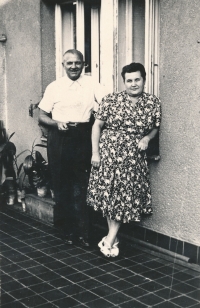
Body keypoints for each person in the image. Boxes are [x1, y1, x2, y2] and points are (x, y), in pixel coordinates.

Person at [87, 62, 161, 257]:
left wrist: (146, 138)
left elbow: (155, 127)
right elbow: (97, 126)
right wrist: (96, 153)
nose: (133, 84)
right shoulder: (111, 100)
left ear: (144, 79)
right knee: (110, 198)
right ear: (124, 82)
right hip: (109, 154)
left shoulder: (153, 102)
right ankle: (113, 238)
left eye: (137, 79)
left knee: (121, 197)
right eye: (129, 80)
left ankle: (109, 239)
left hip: (132, 158)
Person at [38, 49, 106, 247]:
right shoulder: (54, 87)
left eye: (78, 63)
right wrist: (56, 122)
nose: (74, 67)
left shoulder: (92, 84)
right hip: (60, 138)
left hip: (83, 136)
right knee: (61, 185)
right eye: (70, 63)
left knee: (83, 185)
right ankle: (67, 231)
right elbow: (42, 115)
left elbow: (108, 104)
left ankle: (84, 233)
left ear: (83, 64)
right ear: (63, 65)